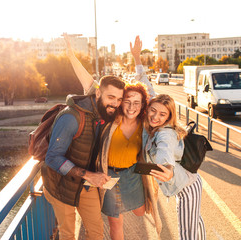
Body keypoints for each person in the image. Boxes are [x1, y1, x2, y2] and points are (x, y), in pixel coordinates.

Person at [65, 34, 159, 240]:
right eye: (127, 101)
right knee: (115, 225)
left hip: (134, 174)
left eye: (137, 102)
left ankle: (135, 202)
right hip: (110, 176)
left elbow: (147, 86)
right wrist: (71, 55)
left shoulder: (144, 122)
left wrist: (137, 59)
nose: (132, 106)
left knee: (141, 212)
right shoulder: (111, 117)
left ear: (143, 104)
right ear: (121, 101)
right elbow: (91, 85)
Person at [42, 64, 125, 239]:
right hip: (60, 184)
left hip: (84, 184)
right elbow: (52, 157)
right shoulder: (71, 117)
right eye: (111, 97)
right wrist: (89, 175)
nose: (115, 104)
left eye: (119, 99)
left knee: (96, 233)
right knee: (68, 234)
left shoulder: (103, 114)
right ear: (97, 93)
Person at [142, 93, 206, 240]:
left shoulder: (165, 133)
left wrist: (167, 168)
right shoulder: (154, 129)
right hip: (191, 181)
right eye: (153, 110)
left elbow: (165, 150)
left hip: (187, 188)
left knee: (187, 234)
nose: (155, 117)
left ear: (168, 117)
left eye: (162, 114)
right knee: (195, 221)